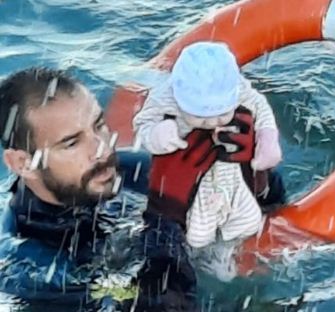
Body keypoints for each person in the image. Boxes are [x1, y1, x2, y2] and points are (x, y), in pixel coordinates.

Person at [0, 67, 198, 311]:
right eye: (72, 143)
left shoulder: (129, 171)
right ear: (23, 163)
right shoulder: (31, 270)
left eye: (99, 125)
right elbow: (164, 303)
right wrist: (167, 217)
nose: (103, 150)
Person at [133, 42, 284, 279]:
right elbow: (144, 122)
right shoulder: (165, 97)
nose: (214, 123)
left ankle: (243, 250)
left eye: (222, 114)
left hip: (233, 175)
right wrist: (158, 134)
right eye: (202, 117)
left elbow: (262, 112)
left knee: (248, 213)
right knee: (182, 238)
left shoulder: (241, 92)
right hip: (184, 190)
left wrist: (267, 142)